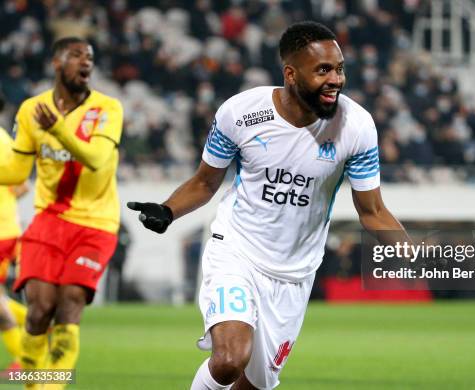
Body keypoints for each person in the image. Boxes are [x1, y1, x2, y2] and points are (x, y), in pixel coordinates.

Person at [128, 21, 408, 390]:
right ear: (291, 74)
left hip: (294, 274)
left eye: (339, 69)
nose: (335, 79)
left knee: (253, 384)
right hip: (237, 252)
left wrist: (409, 250)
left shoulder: (356, 126)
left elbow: (372, 211)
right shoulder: (240, 113)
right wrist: (167, 211)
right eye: (323, 70)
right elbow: (204, 182)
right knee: (229, 360)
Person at [0, 37, 123, 389]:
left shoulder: (108, 108)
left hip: (95, 224)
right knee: (38, 310)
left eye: (90, 57)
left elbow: (98, 160)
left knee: (69, 306)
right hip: (48, 221)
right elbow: (15, 171)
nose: (85, 61)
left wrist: (58, 130)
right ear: (57, 63)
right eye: (76, 55)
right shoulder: (30, 110)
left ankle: (49, 387)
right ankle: (33, 383)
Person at [0, 126, 28, 372]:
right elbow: (22, 187)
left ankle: (25, 360)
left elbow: (22, 185)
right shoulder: (5, 139)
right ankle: (36, 322)